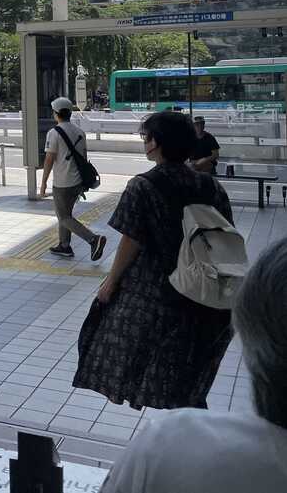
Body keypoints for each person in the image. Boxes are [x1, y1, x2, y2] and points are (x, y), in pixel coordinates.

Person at [74, 111, 235, 411]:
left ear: (157, 144)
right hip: (204, 294)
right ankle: (189, 428)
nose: (145, 143)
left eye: (147, 138)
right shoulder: (211, 186)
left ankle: (168, 439)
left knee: (145, 368)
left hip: (156, 295)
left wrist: (110, 282)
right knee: (187, 377)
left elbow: (131, 239)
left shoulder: (143, 185)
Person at [99, 237, 287, 493]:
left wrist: (112, 280)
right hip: (203, 310)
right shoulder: (213, 194)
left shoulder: (171, 447)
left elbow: (131, 235)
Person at [40, 96, 107, 261]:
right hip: (77, 182)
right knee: (66, 214)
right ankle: (64, 245)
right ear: (69, 113)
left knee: (63, 217)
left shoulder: (53, 133)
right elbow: (83, 157)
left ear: (56, 113)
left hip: (62, 183)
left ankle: (93, 239)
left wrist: (43, 183)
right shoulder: (79, 132)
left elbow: (49, 159)